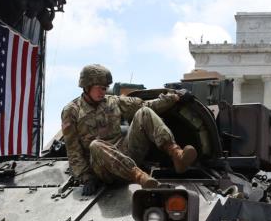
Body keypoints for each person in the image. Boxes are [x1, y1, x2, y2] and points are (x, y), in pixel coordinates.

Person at [62, 64, 198, 196]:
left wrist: (175, 97)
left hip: (126, 154)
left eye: (105, 88)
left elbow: (146, 104)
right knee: (95, 145)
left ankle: (177, 155)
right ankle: (139, 177)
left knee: (144, 112)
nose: (103, 92)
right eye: (100, 88)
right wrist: (86, 178)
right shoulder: (72, 111)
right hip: (103, 167)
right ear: (87, 86)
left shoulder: (113, 101)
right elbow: (73, 149)